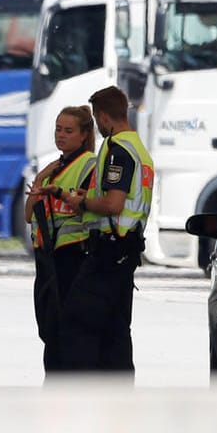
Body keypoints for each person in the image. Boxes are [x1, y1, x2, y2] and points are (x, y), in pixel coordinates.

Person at [55, 85, 152, 374]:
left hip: (110, 250)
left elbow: (113, 203)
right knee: (116, 329)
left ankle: (82, 393)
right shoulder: (139, 149)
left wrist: (82, 203)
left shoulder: (117, 149)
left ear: (105, 117)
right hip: (126, 250)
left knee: (77, 322)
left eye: (98, 119)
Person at [23, 105, 97, 373]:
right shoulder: (54, 167)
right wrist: (42, 177)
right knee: (47, 327)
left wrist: (59, 192)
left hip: (71, 255)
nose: (61, 135)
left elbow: (84, 205)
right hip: (47, 257)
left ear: (83, 134)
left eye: (68, 130)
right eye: (58, 129)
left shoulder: (89, 164)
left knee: (61, 330)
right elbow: (28, 214)